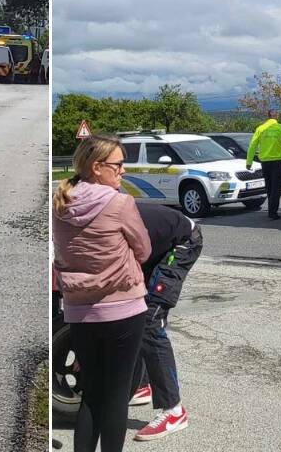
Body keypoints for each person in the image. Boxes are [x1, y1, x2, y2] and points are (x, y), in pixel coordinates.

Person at [53, 134, 151, 452]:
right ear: (97, 167)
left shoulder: (60, 200)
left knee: (91, 394)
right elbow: (144, 249)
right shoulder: (120, 203)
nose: (123, 171)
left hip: (79, 311)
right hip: (123, 310)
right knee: (116, 395)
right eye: (119, 165)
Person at [128, 206, 202, 441]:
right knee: (134, 308)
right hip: (154, 247)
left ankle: (173, 411)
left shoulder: (106, 219)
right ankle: (141, 385)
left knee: (151, 318)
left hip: (183, 242)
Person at [246, 109, 281, 220]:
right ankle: (272, 212)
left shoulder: (260, 129)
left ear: (268, 116)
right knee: (277, 188)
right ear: (276, 117)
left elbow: (252, 146)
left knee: (269, 187)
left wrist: (249, 162)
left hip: (265, 163)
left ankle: (271, 210)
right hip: (277, 162)